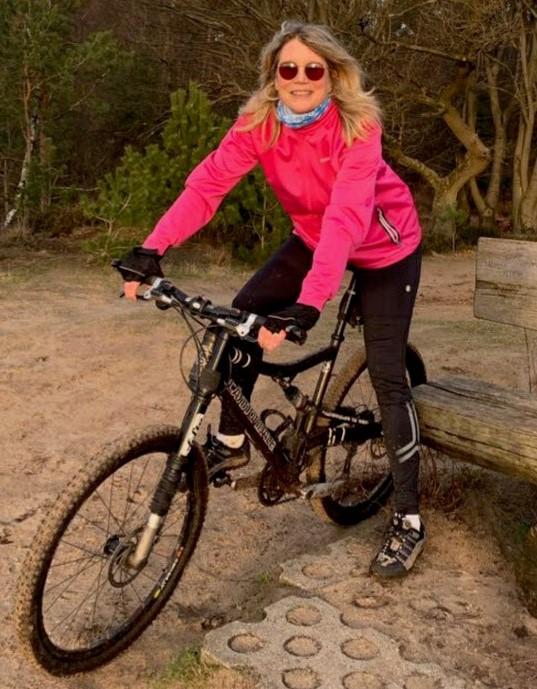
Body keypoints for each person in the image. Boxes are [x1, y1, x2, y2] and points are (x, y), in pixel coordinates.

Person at [117, 21, 425, 579]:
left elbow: (346, 217)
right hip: (313, 238)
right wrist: (151, 248)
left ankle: (407, 518)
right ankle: (232, 441)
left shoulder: (359, 126)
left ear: (332, 75)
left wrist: (309, 303)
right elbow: (208, 185)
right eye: (289, 68)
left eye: (313, 69)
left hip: (385, 249)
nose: (300, 79)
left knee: (386, 375)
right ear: (273, 76)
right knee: (240, 319)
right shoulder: (260, 123)